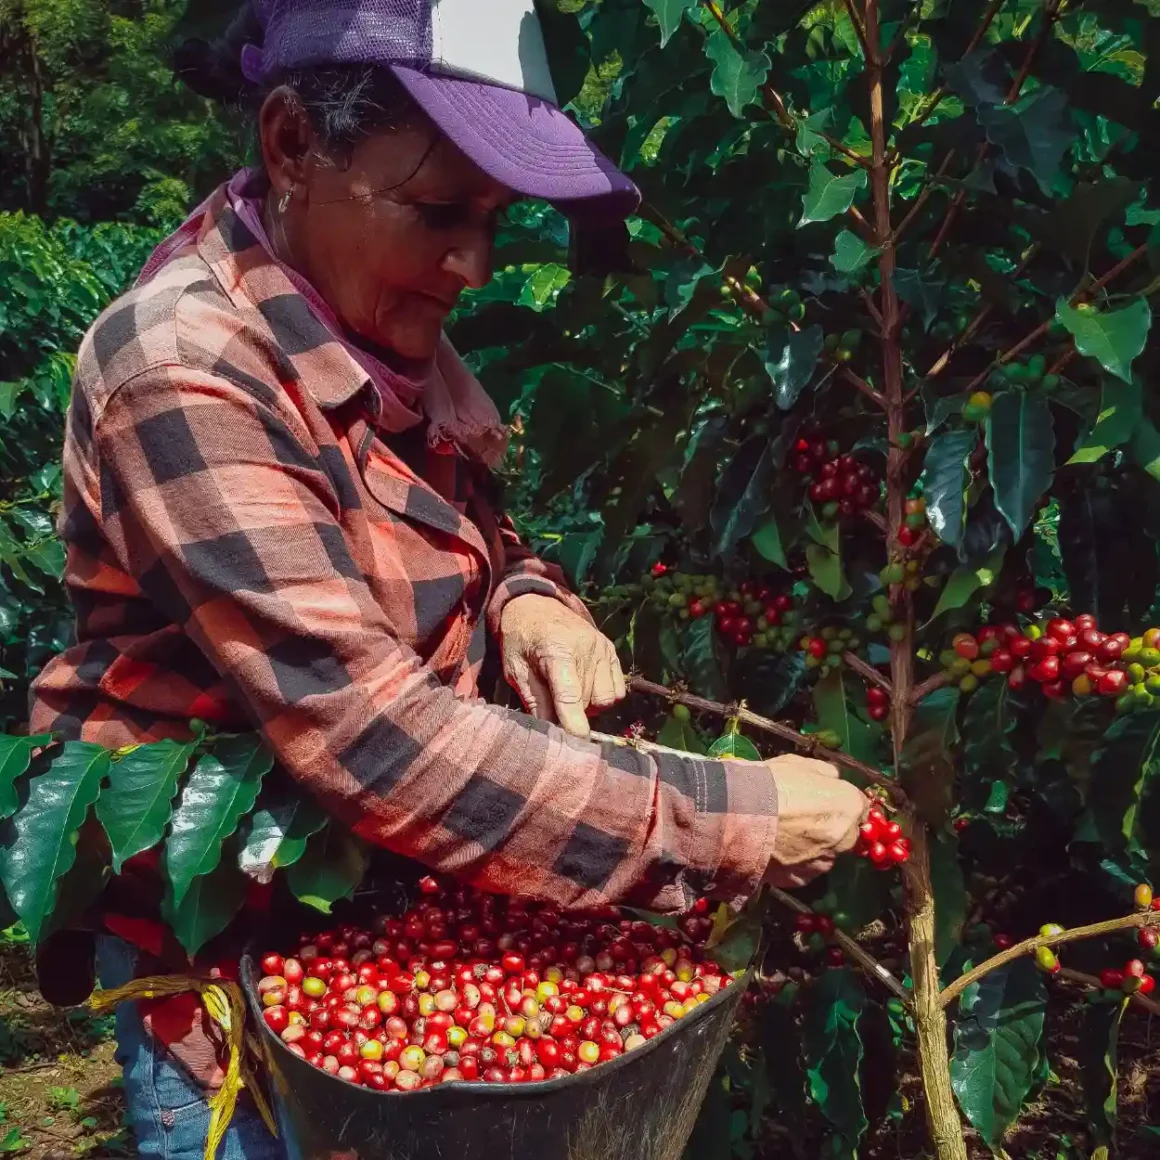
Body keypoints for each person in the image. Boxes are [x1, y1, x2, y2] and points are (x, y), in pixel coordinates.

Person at [27, 1, 868, 1155]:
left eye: (492, 218)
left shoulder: (364, 321)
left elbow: (466, 530)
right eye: (436, 210)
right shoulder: (185, 371)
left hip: (394, 901)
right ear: (288, 143)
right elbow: (372, 736)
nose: (472, 264)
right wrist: (736, 817)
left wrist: (528, 597)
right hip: (237, 966)